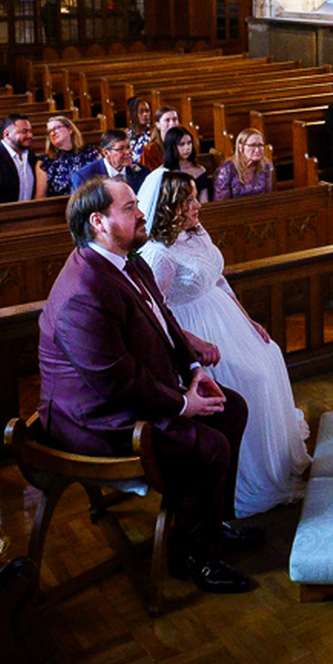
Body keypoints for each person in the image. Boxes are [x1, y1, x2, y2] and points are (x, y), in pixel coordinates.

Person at [36, 176, 256, 593]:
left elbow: (166, 324)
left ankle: (213, 524)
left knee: (233, 409)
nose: (141, 213)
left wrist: (193, 371)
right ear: (99, 222)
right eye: (130, 208)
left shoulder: (128, 258)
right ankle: (192, 558)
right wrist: (180, 405)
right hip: (94, 422)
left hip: (130, 396)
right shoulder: (84, 290)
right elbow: (114, 381)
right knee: (209, 446)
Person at [139, 169, 310, 518]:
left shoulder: (195, 233)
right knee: (252, 380)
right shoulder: (158, 254)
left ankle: (278, 456)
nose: (196, 205)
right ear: (169, 208)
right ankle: (246, 477)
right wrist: (191, 343)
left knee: (271, 355)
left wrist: (249, 321)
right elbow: (156, 313)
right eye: (186, 200)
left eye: (193, 197)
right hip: (193, 327)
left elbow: (219, 280)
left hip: (223, 315)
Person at [0, 114, 41, 205]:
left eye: (30, 131)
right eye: (24, 132)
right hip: (2, 216)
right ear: (7, 134)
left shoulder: (30, 156)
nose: (30, 135)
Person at [73, 128, 148, 194]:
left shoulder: (142, 172)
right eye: (121, 149)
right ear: (106, 153)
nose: (128, 152)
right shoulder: (85, 177)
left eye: (128, 147)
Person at [39, 115, 95, 196]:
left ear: (70, 129)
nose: (53, 133)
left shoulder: (90, 153)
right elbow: (40, 198)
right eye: (50, 131)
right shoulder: (45, 162)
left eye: (56, 128)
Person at [214, 130, 274, 200]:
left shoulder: (265, 165)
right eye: (252, 145)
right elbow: (221, 202)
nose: (257, 149)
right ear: (240, 147)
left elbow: (269, 196)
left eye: (260, 145)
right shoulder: (226, 169)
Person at [159, 126, 212, 202]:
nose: (187, 147)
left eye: (189, 143)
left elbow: (204, 201)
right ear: (172, 146)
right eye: (182, 144)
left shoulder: (199, 170)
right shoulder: (162, 172)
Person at [133, 104, 184, 169]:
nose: (172, 123)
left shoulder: (184, 143)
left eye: (174, 119)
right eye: (167, 120)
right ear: (158, 124)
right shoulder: (150, 149)